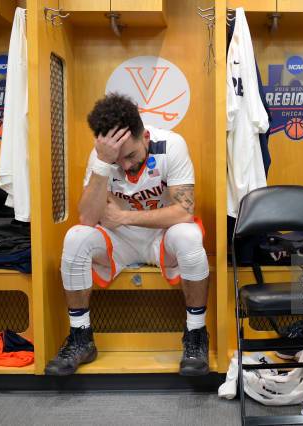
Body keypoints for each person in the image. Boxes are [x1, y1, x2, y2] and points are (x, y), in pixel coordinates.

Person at [44, 93, 210, 376]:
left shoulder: (171, 145)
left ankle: (196, 336)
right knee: (75, 237)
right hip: (118, 240)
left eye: (131, 155)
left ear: (144, 136)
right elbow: (87, 217)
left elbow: (183, 211)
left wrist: (124, 216)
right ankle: (80, 338)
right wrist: (102, 164)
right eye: (117, 160)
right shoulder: (102, 159)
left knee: (189, 235)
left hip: (160, 236)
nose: (126, 166)